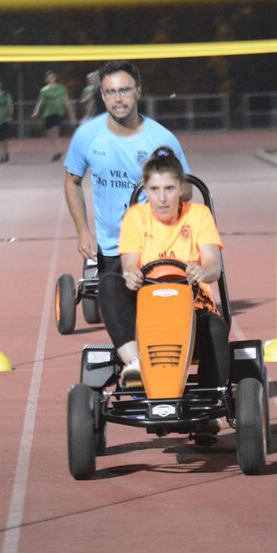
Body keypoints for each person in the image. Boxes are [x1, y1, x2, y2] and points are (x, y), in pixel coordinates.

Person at [99, 146, 228, 401]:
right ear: (146, 191)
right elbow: (129, 263)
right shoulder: (136, 217)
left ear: (181, 189)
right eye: (155, 190)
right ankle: (135, 364)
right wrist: (132, 275)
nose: (162, 198)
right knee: (109, 283)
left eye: (169, 189)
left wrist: (201, 271)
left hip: (192, 306)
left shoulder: (199, 215)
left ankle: (208, 405)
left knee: (217, 327)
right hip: (147, 308)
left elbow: (214, 264)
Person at [64, 60, 190, 277]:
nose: (118, 98)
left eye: (124, 90)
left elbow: (187, 190)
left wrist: (164, 191)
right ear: (102, 96)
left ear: (138, 91)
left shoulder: (161, 139)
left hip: (154, 242)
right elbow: (72, 182)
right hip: (110, 245)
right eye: (111, 92)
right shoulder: (87, 135)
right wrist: (83, 232)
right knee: (118, 308)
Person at [31, 70, 75, 162]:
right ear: (46, 79)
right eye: (49, 77)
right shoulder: (44, 90)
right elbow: (40, 102)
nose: (51, 79)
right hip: (48, 113)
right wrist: (36, 112)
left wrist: (71, 115)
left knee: (55, 132)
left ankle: (58, 152)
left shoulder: (61, 89)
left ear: (55, 78)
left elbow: (66, 101)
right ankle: (57, 151)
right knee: (50, 134)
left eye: (52, 77)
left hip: (58, 112)